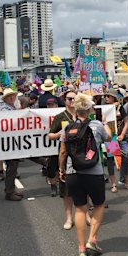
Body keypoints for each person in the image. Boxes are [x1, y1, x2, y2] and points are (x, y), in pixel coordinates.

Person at [59, 93, 110, 256]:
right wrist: (106, 124)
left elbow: (62, 152)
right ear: (89, 110)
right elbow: (108, 138)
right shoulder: (96, 125)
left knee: (80, 208)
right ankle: (92, 239)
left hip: (73, 171)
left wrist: (61, 170)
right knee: (99, 204)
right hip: (93, 171)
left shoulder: (68, 128)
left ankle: (81, 248)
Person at [49, 90, 77, 229]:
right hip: (65, 156)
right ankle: (69, 218)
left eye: (74, 98)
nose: (72, 101)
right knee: (66, 189)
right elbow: (50, 135)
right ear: (65, 100)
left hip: (81, 156)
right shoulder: (60, 117)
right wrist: (60, 133)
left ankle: (85, 215)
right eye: (69, 99)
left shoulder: (82, 115)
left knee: (83, 186)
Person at [0, 88, 23, 201]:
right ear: (5, 99)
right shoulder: (5, 110)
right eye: (9, 96)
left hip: (13, 141)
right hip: (9, 142)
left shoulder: (12, 108)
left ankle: (11, 190)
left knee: (13, 167)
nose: (12, 98)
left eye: (13, 96)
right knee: (11, 167)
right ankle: (9, 192)